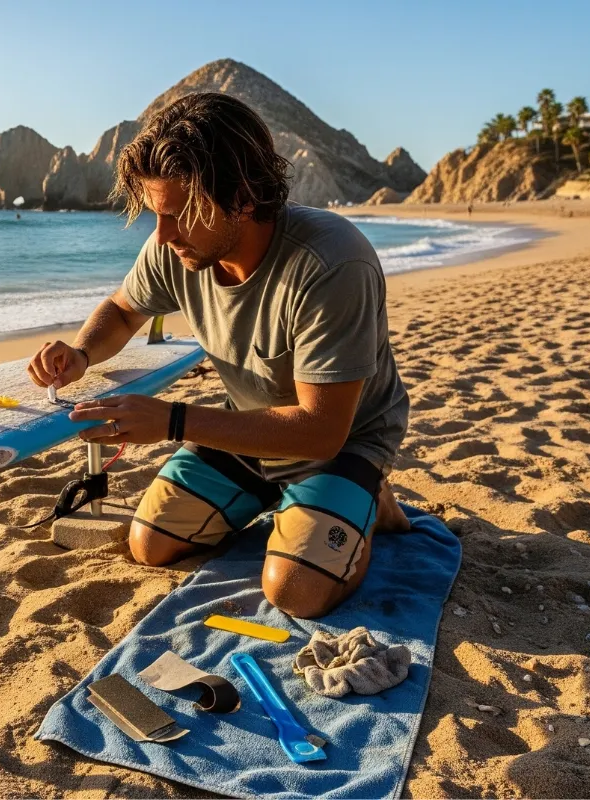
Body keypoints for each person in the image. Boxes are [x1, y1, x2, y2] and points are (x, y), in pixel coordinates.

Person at [27, 93, 411, 619]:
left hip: (342, 442)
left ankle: (364, 498)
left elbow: (321, 430)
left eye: (180, 213)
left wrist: (174, 421)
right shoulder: (173, 247)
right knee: (150, 545)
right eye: (155, 214)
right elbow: (121, 311)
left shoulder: (331, 263)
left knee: (295, 591)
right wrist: (80, 352)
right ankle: (304, 506)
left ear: (244, 197)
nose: (162, 236)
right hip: (251, 430)